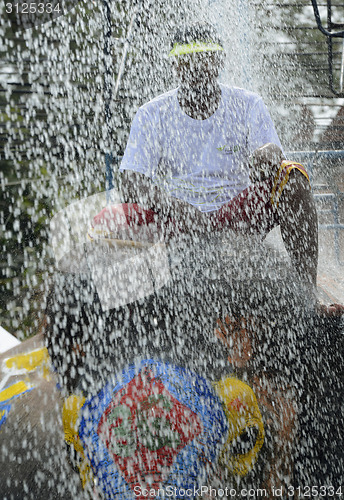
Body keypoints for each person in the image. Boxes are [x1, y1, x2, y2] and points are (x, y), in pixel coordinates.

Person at [102, 22, 342, 317]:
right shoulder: (152, 113)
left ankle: (307, 299)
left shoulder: (247, 104)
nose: (198, 67)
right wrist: (175, 207)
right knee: (110, 216)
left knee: (293, 176)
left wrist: (265, 157)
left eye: (206, 59)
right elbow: (130, 179)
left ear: (219, 61)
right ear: (176, 65)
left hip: (235, 212)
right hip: (178, 219)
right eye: (189, 60)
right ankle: (121, 307)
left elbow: (273, 152)